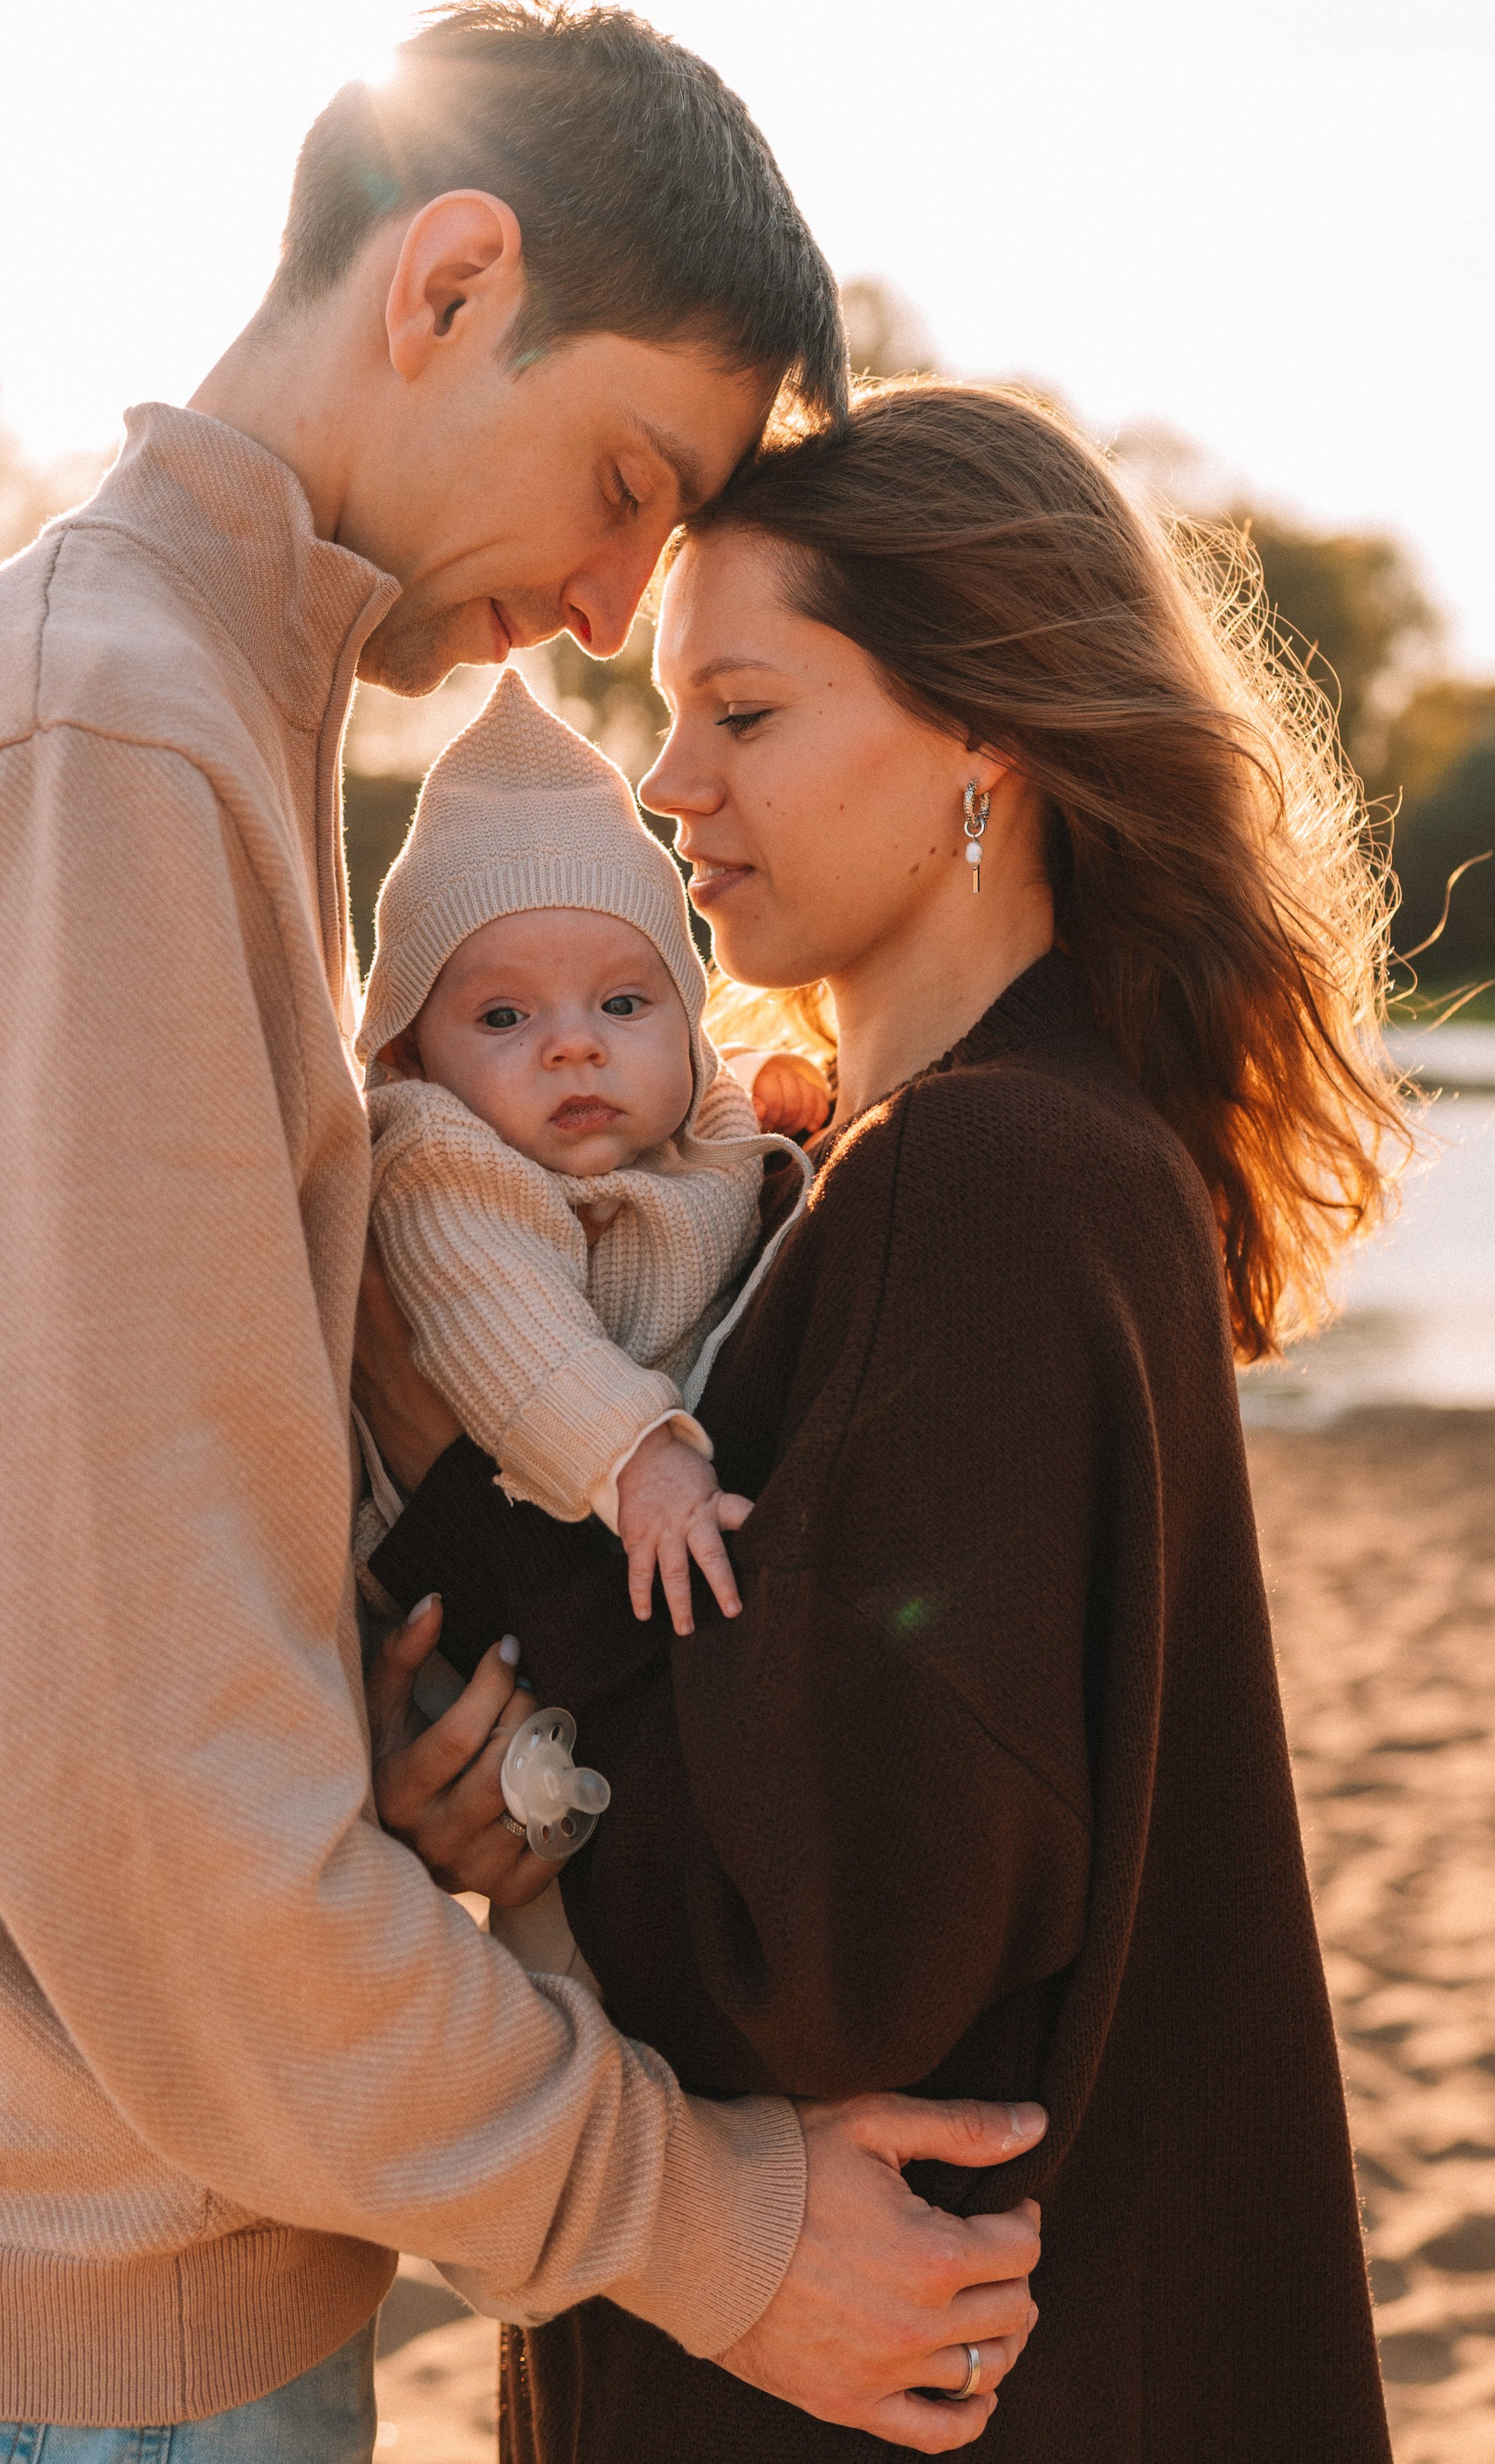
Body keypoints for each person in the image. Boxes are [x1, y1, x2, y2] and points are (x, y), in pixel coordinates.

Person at [0, 0, 1046, 2464]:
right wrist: (711, 2225)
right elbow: (129, 1795)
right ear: (443, 282)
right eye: (632, 474)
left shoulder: (187, 718)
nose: (635, 590)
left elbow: (130, 1604)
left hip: (117, 2247)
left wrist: (369, 1724)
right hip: (80, 2324)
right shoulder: (99, 749)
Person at [361, 379, 1405, 2459]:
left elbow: (835, 1955)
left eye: (744, 712)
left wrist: (488, 1580)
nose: (667, 780)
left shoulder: (988, 1178)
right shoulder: (917, 1155)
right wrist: (510, 1798)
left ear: (984, 741)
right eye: (671, 714)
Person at [357, 666, 816, 1638]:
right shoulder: (439, 1164)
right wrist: (636, 1453)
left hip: (609, 1578)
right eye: (503, 1015)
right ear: (409, 1051)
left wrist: (752, 1073)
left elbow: (700, 1091)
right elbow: (498, 1318)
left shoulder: (686, 1114)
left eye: (621, 1004)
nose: (576, 1045)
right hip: (464, 1587)